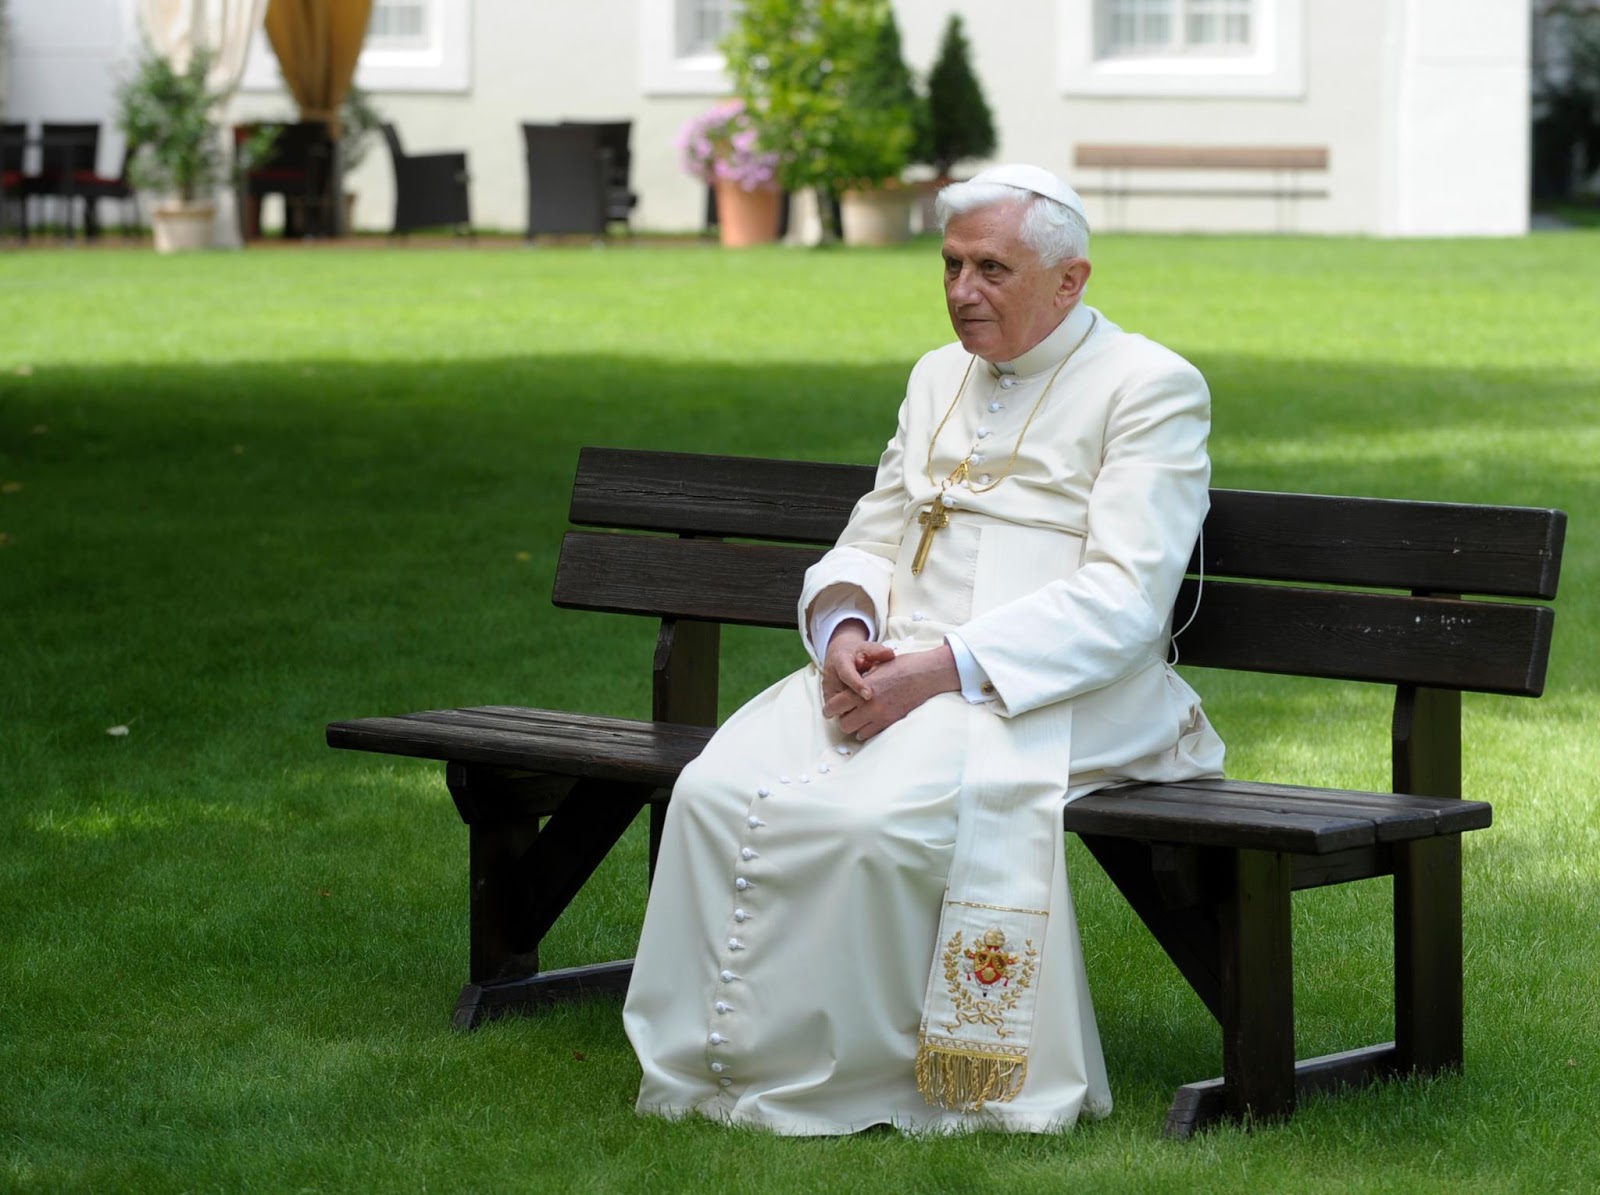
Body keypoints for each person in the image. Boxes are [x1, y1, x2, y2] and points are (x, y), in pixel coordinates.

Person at [622, 164, 1225, 1135]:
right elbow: (874, 528)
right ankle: (721, 1061)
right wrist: (848, 630)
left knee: (866, 822)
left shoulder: (1148, 385)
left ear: (1068, 281)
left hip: (1054, 690)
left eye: (991, 268)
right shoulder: (935, 374)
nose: (960, 290)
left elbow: (1126, 598)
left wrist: (941, 670)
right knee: (712, 792)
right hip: (901, 666)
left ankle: (871, 1075)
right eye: (949, 265)